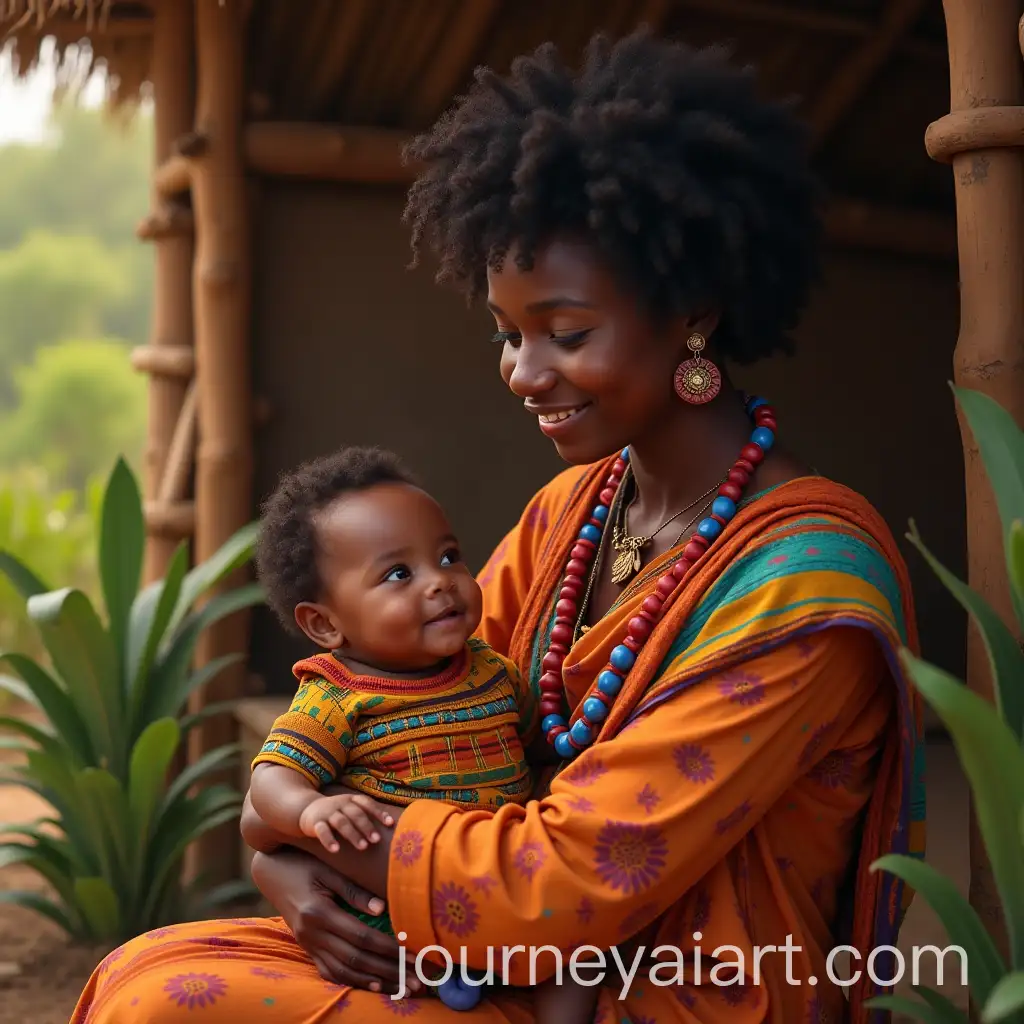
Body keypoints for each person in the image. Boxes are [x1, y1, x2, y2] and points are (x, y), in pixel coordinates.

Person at [69, 26, 925, 1024]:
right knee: (145, 970)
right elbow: (427, 712)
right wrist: (284, 874)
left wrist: (303, 839)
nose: (524, 373)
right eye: (507, 335)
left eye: (565, 334)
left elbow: (572, 876)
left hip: (670, 990)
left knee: (167, 1007)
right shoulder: (576, 510)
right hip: (488, 942)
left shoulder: (804, 581)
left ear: (691, 313)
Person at [245, 444, 599, 1021]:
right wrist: (309, 810)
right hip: (399, 910)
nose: (441, 583)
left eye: (450, 556)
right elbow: (270, 783)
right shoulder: (336, 696)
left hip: (499, 891)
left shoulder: (491, 671)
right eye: (399, 574)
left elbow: (538, 746)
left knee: (578, 955)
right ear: (326, 624)